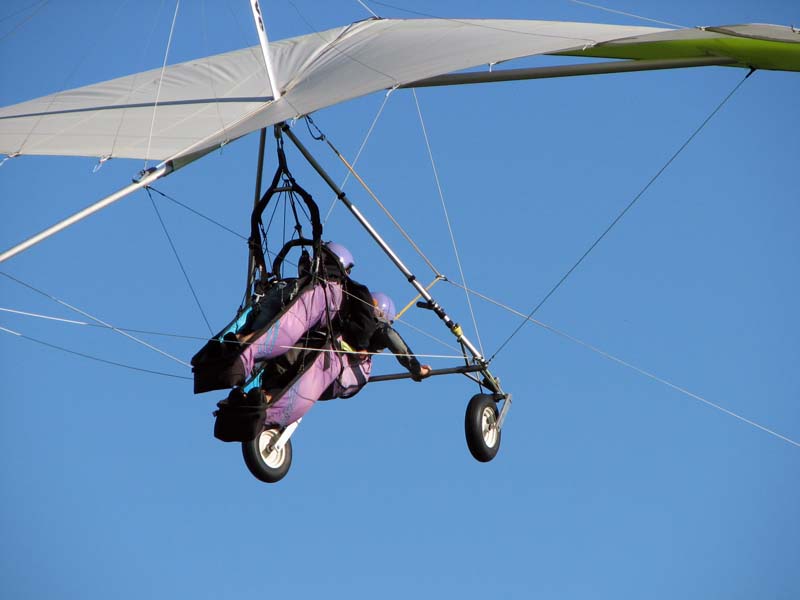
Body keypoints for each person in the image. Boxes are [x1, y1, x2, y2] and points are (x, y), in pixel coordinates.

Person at [261, 291, 431, 428]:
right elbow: (391, 337)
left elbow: (390, 336)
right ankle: (264, 399)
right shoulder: (357, 322)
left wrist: (415, 368)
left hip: (326, 367)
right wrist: (416, 369)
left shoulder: (370, 325)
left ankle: (267, 401)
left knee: (288, 369)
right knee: (283, 373)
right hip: (323, 366)